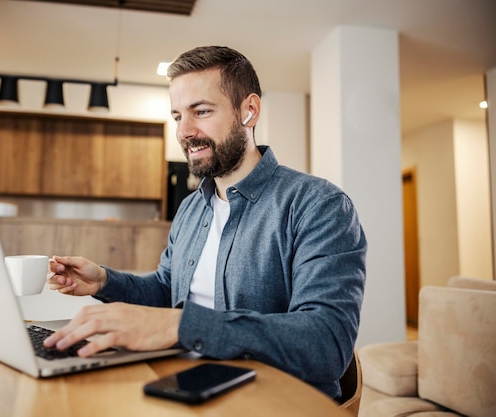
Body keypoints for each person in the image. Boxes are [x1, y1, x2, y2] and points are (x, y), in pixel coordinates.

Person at [44, 45, 367, 400]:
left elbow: (326, 343)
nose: (185, 131)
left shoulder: (318, 205)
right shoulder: (191, 209)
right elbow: (169, 291)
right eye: (178, 116)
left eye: (201, 111)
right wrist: (106, 281)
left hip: (277, 401)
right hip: (187, 383)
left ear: (250, 111)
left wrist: (182, 325)